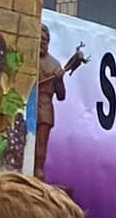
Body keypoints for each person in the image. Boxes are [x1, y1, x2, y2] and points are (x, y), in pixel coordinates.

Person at [33, 25, 87, 179]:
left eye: (44, 40)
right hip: (28, 105)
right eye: (39, 39)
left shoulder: (54, 64)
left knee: (41, 144)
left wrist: (59, 79)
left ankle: (38, 170)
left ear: (48, 42)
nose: (42, 42)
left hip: (45, 107)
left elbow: (61, 96)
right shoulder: (29, 59)